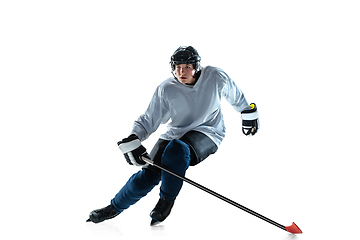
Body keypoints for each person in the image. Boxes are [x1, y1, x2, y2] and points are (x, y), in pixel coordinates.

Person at [87, 46, 259, 226]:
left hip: (209, 131)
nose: (181, 72)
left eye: (186, 67)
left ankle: (165, 201)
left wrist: (247, 112)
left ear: (196, 66)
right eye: (177, 67)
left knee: (176, 150)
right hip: (175, 133)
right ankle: (113, 208)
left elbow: (235, 95)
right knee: (148, 175)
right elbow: (149, 118)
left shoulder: (214, 76)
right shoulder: (167, 88)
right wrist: (134, 138)